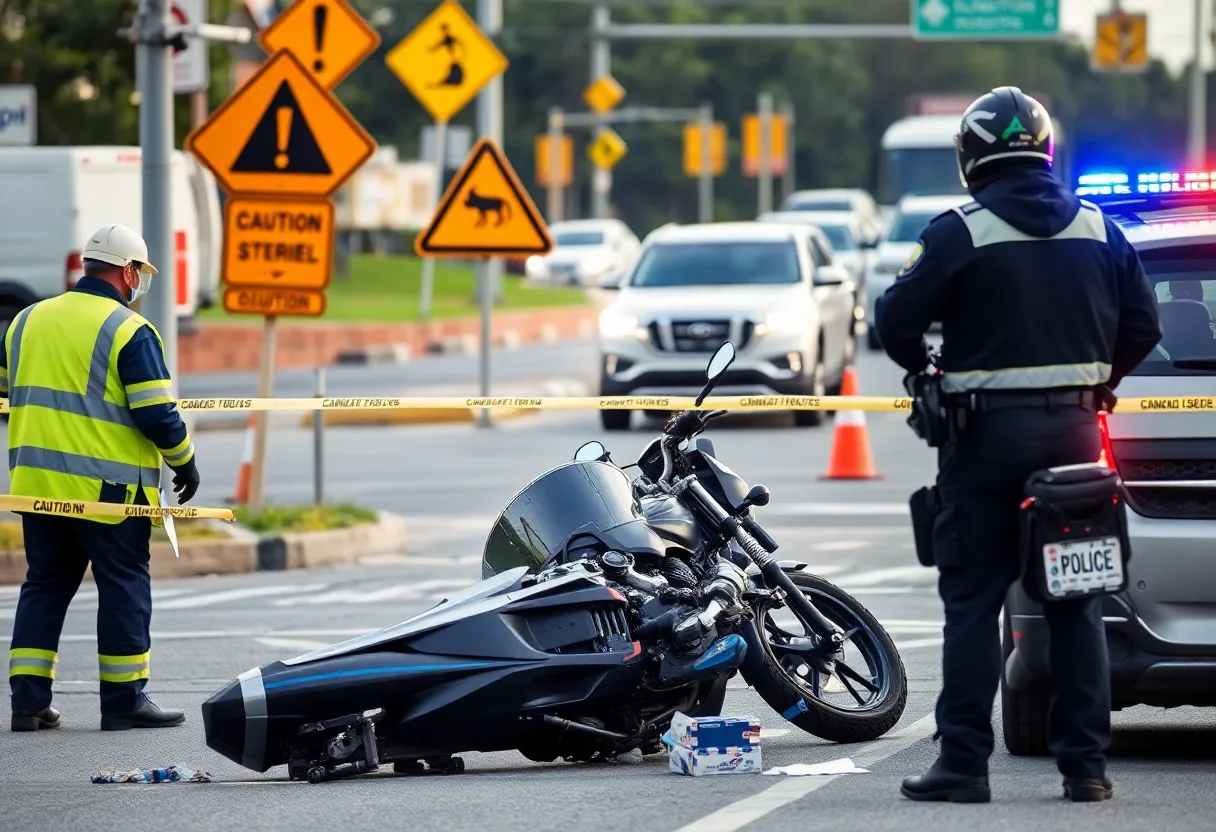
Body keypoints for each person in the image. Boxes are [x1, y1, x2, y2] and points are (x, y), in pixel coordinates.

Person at [873, 87, 1161, 803]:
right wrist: (1098, 381)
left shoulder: (958, 231)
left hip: (984, 445)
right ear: (1045, 151)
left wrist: (928, 369)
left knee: (972, 602)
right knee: (1076, 602)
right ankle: (1086, 771)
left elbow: (893, 319)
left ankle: (964, 766)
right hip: (1075, 443)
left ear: (971, 158)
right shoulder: (1099, 227)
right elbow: (1144, 327)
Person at [5, 224, 201, 732]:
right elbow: (157, 413)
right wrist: (185, 462)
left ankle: (27, 702)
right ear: (128, 271)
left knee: (44, 584)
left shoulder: (26, 320)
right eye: (140, 274)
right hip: (107, 491)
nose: (141, 284)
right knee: (123, 586)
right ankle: (123, 701)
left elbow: (10, 389)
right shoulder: (127, 330)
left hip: (37, 485)